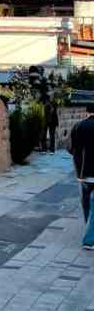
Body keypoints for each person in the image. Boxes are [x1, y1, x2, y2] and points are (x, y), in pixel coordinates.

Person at [67, 104, 94, 249]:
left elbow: (70, 148)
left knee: (86, 200)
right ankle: (90, 237)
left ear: (87, 111)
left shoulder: (78, 126)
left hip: (83, 172)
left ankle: (87, 226)